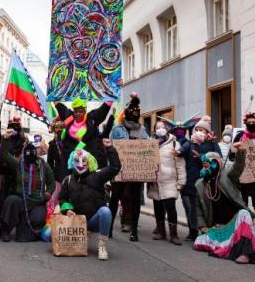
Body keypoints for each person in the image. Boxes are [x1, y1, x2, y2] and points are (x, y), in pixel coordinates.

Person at [194, 148, 255, 265]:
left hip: (236, 224)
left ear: (216, 164)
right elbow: (198, 209)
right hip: (217, 226)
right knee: (199, 242)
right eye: (202, 165)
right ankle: (229, 245)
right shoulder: (199, 184)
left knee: (244, 214)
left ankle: (244, 253)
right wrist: (203, 226)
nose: (203, 169)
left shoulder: (227, 175)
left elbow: (238, 166)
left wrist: (240, 152)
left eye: (206, 165)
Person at [59, 139, 121, 260]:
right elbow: (62, 199)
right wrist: (67, 210)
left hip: (93, 220)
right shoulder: (68, 180)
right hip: (77, 222)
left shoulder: (97, 176)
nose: (81, 164)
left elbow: (114, 167)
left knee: (105, 211)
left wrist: (110, 149)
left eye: (84, 161)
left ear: (89, 162)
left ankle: (102, 245)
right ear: (72, 162)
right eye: (77, 161)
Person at [0, 129, 55, 242]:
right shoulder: (18, 164)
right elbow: (4, 154)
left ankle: (28, 228)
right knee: (11, 201)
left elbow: (51, 182)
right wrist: (5, 138)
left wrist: (48, 193)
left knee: (25, 236)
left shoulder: (44, 166)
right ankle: (5, 230)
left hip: (37, 201)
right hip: (21, 199)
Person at [109, 93, 149, 241]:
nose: (135, 114)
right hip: (119, 171)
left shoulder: (142, 130)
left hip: (136, 172)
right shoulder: (117, 129)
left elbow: (148, 149)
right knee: (114, 200)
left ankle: (134, 230)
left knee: (135, 201)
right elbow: (111, 150)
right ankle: (109, 227)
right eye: (132, 111)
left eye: (137, 112)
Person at [177, 116, 222, 241]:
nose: (199, 132)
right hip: (190, 179)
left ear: (207, 132)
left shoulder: (212, 144)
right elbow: (180, 154)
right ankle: (192, 231)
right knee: (192, 208)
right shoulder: (190, 143)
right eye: (197, 129)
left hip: (206, 181)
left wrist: (202, 157)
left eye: (202, 130)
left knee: (205, 207)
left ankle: (206, 229)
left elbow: (218, 160)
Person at [231, 111, 255, 243]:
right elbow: (232, 155)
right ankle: (243, 229)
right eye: (249, 122)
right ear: (246, 123)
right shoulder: (240, 136)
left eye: (254, 122)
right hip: (243, 178)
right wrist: (237, 149)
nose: (251, 124)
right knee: (243, 205)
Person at [148, 120, 186, 245]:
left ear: (167, 129)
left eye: (162, 127)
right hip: (155, 182)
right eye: (157, 127)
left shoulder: (175, 144)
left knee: (171, 207)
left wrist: (181, 181)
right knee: (157, 207)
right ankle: (161, 231)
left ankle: (174, 234)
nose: (160, 129)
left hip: (170, 181)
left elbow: (180, 164)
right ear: (154, 130)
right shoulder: (150, 144)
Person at [55, 98, 112, 166]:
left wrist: (112, 95)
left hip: (89, 161)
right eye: (76, 111)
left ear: (84, 112)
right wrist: (51, 91)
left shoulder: (91, 119)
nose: (78, 114)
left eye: (80, 111)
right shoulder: (69, 117)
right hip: (72, 162)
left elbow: (104, 108)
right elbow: (58, 105)